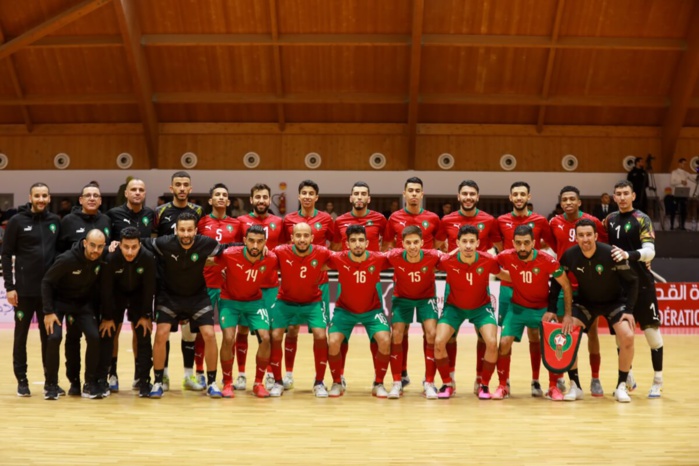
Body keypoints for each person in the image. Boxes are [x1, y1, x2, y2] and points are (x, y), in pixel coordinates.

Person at [552, 219, 638, 403]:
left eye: (589, 234)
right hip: (586, 303)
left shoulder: (611, 253)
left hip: (614, 302)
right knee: (568, 335)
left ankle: (621, 386)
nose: (585, 239)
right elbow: (556, 282)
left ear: (596, 236)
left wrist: (629, 310)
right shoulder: (569, 255)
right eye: (581, 235)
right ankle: (575, 386)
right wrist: (554, 309)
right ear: (576, 238)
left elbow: (633, 281)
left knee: (628, 336)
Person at [145, 212, 227, 399]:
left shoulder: (206, 243)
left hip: (197, 297)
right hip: (169, 297)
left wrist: (249, 248)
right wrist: (115, 243)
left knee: (209, 334)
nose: (186, 234)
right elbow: (140, 242)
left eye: (190, 230)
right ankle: (158, 381)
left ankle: (212, 382)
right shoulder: (164, 243)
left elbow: (228, 249)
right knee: (161, 334)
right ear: (176, 230)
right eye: (182, 230)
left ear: (196, 230)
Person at [435, 180, 503, 394]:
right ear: (458, 196)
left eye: (472, 194)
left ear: (477, 196)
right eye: (464, 193)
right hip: (454, 284)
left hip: (480, 279)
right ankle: (449, 380)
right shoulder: (447, 220)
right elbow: (436, 248)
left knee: (486, 338)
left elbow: (499, 248)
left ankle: (480, 381)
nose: (468, 197)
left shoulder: (488, 220)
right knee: (447, 338)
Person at [493, 225, 573, 401]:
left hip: (542, 310)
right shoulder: (506, 256)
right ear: (513, 243)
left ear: (534, 243)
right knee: (504, 342)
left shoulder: (547, 260)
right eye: (519, 243)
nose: (522, 248)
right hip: (517, 308)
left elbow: (566, 284)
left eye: (526, 243)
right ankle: (502, 385)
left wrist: (566, 314)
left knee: (551, 345)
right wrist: (507, 276)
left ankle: (552, 386)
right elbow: (489, 264)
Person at [1, 183, 62, 397]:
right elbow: (6, 254)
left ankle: (50, 381)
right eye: (37, 196)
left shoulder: (55, 221)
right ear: (30, 197)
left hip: (49, 293)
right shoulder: (17, 221)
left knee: (50, 338)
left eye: (45, 195)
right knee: (21, 337)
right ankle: (22, 380)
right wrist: (10, 287)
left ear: (49, 197)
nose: (41, 199)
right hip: (24, 292)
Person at [497, 181, 557, 397]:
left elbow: (551, 245)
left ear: (529, 197)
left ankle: (535, 381)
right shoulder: (501, 221)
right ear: (510, 197)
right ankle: (505, 382)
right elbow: (497, 246)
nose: (519, 197)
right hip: (507, 287)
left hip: (532, 284)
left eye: (523, 194)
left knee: (535, 335)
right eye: (515, 194)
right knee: (506, 336)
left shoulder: (540, 221)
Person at [605, 180, 664, 398]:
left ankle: (658, 379)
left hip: (643, 285)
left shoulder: (642, 219)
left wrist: (630, 255)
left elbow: (650, 251)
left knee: (652, 335)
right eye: (618, 193)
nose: (621, 197)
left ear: (633, 195)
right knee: (622, 336)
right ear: (614, 197)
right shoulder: (609, 220)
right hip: (619, 288)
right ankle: (627, 376)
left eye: (625, 193)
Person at [549, 186, 608, 397]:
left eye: (572, 199)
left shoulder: (593, 221)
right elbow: (553, 246)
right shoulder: (554, 222)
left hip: (587, 286)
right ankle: (565, 379)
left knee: (592, 333)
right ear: (560, 202)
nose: (568, 202)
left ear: (579, 202)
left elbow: (605, 245)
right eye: (564, 199)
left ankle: (595, 378)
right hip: (564, 284)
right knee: (563, 334)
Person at [382, 177, 441, 388]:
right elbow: (387, 246)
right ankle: (401, 374)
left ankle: (429, 380)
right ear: (404, 193)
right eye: (410, 190)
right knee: (399, 332)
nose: (414, 194)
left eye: (418, 190)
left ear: (422, 194)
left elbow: (440, 246)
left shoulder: (433, 218)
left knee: (431, 333)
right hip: (402, 287)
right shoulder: (394, 218)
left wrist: (426, 264)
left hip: (426, 287)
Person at [279, 180, 335, 391]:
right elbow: (285, 247)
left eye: (311, 193)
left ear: (317, 197)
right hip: (294, 284)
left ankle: (319, 379)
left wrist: (320, 266)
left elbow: (335, 245)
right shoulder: (289, 219)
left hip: (319, 285)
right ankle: (289, 375)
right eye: (304, 193)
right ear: (299, 196)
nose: (308, 196)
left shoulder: (326, 219)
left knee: (321, 333)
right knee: (291, 330)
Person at [330, 182, 387, 386]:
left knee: (378, 335)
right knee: (339, 336)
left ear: (369, 198)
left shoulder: (379, 219)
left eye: (364, 194)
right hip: (348, 277)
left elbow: (387, 246)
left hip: (373, 280)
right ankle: (339, 377)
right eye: (356, 194)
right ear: (350, 197)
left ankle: (378, 380)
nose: (360, 197)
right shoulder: (341, 221)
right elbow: (336, 247)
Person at [57, 182, 112, 394]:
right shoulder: (69, 221)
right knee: (73, 338)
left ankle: (97, 379)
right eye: (87, 195)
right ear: (80, 200)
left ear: (100, 200)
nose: (91, 198)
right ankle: (74, 381)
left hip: (99, 291)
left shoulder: (106, 220)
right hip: (75, 292)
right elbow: (59, 253)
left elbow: (111, 248)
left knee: (99, 337)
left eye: (96, 195)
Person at [325, 225, 391, 397]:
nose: (357, 244)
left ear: (367, 242)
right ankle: (337, 382)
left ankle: (379, 383)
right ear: (347, 244)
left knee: (385, 340)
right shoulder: (338, 258)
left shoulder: (378, 258)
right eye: (353, 241)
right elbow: (314, 256)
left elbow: (403, 255)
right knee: (332, 342)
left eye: (361, 240)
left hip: (372, 310)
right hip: (344, 310)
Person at [41, 229, 106, 400]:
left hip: (82, 304)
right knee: (54, 338)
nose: (95, 251)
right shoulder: (67, 259)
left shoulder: (101, 258)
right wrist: (48, 311)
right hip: (59, 303)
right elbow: (47, 282)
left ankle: (89, 383)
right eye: (92, 245)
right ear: (85, 243)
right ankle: (51, 384)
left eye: (100, 247)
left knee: (94, 337)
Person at [270, 223, 333, 397]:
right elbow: (261, 259)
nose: (302, 239)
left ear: (312, 238)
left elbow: (342, 260)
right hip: (285, 302)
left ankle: (319, 382)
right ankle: (278, 381)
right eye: (298, 235)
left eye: (306, 236)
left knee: (321, 335)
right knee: (275, 336)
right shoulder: (280, 251)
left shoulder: (322, 252)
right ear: (292, 238)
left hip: (312, 302)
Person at [105, 178, 155, 392]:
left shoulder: (151, 215)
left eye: (141, 190)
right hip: (117, 282)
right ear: (126, 193)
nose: (137, 193)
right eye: (133, 190)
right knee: (111, 330)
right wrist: (112, 244)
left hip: (140, 282)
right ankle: (111, 374)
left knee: (141, 330)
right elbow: (106, 242)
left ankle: (140, 376)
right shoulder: (113, 215)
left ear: (145, 194)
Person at [155, 171, 203, 392]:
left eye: (185, 185)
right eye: (178, 185)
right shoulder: (160, 212)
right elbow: (155, 243)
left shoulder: (199, 212)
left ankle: (187, 376)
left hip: (192, 281)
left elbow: (201, 243)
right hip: (166, 281)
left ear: (190, 189)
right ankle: (163, 377)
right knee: (164, 331)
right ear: (171, 187)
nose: (182, 188)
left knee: (189, 333)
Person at [216, 225, 278, 398]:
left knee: (266, 338)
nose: (255, 246)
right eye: (251, 241)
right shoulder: (229, 255)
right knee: (229, 337)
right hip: (229, 301)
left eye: (260, 242)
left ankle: (259, 382)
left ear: (265, 242)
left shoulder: (271, 258)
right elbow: (208, 260)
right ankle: (227, 382)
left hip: (254, 302)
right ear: (244, 241)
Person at [236, 184, 284, 391]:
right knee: (243, 329)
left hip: (271, 285)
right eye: (258, 197)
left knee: (272, 334)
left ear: (270, 199)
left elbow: (283, 250)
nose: (262, 200)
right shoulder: (241, 222)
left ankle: (271, 374)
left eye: (265, 197)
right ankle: (241, 374)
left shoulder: (278, 223)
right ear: (251, 200)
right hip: (247, 284)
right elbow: (236, 249)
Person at [385, 226, 442, 399]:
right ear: (402, 244)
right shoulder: (393, 255)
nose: (412, 246)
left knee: (432, 334)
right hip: (402, 299)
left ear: (422, 243)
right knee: (396, 334)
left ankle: (429, 382)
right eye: (408, 243)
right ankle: (397, 382)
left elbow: (454, 257)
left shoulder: (433, 255)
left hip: (426, 298)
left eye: (416, 242)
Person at [99, 226, 156, 398]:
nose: (130, 252)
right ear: (119, 245)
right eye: (126, 247)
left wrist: (146, 315)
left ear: (140, 245)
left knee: (143, 335)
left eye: (134, 247)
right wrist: (108, 317)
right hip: (116, 295)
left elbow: (149, 289)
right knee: (109, 333)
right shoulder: (110, 258)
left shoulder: (147, 258)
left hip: (139, 296)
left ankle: (143, 379)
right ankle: (109, 376)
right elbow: (106, 290)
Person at [196, 183, 242, 389]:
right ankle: (199, 373)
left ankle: (229, 377)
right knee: (202, 332)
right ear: (210, 200)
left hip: (228, 288)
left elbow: (242, 252)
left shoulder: (237, 224)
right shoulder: (202, 222)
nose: (221, 198)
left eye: (225, 195)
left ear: (229, 201)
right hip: (205, 284)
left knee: (229, 335)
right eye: (217, 195)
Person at [670, 158, 696, 230]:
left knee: (684, 210)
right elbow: (672, 182)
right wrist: (681, 182)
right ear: (679, 163)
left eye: (685, 164)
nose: (684, 165)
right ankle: (672, 225)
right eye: (683, 163)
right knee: (674, 210)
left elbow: (694, 180)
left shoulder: (686, 173)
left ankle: (682, 225)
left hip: (683, 193)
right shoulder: (674, 172)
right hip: (676, 193)